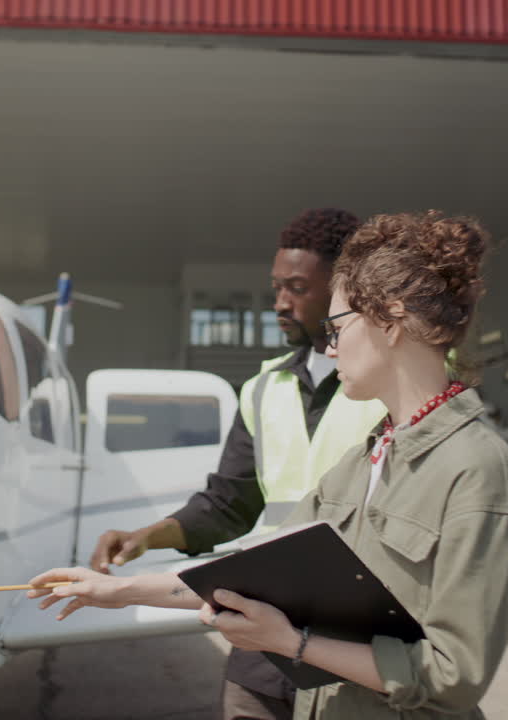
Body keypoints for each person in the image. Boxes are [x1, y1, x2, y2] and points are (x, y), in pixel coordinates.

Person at [30, 211, 508, 720]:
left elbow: (452, 677)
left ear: (390, 322)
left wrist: (292, 643)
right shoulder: (367, 458)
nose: (329, 343)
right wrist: (117, 591)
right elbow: (254, 572)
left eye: (338, 324)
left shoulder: (477, 473)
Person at [89, 207, 388, 719]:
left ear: (346, 291)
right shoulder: (262, 389)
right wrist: (148, 535)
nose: (279, 303)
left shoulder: (394, 382)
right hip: (261, 645)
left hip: (357, 641)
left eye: (296, 288)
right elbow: (228, 503)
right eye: (277, 287)